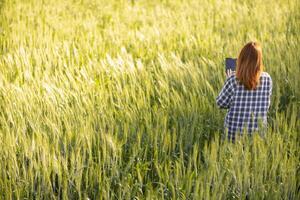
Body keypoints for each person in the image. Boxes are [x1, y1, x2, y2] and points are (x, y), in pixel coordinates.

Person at [216, 42, 272, 141]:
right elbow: (266, 106)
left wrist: (228, 79)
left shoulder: (233, 79)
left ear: (241, 59)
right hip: (258, 136)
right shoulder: (267, 78)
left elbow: (220, 103)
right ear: (259, 61)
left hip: (234, 135)